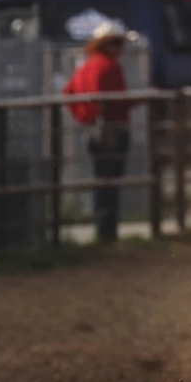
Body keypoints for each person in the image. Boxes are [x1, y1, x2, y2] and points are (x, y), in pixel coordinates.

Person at [63, 21, 134, 243]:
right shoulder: (110, 66)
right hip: (112, 129)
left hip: (93, 129)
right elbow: (116, 100)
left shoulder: (85, 66)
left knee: (101, 178)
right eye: (117, 44)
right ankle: (107, 232)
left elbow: (68, 92)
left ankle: (102, 228)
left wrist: (85, 116)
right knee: (111, 180)